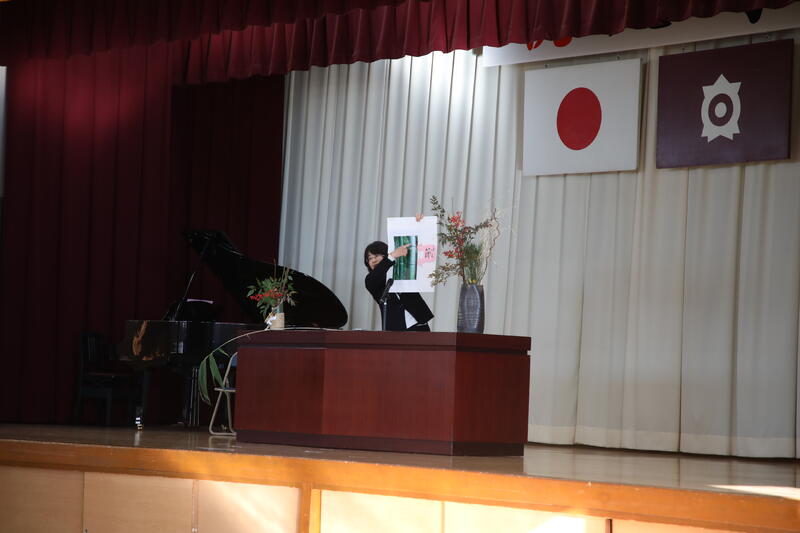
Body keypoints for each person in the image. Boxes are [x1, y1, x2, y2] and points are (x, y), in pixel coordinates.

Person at [364, 234, 434, 332]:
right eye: (370, 258)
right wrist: (392, 256)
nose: (373, 260)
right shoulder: (370, 280)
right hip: (396, 328)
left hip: (419, 323)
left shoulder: (401, 269)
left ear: (386, 254)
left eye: (376, 256)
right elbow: (377, 275)